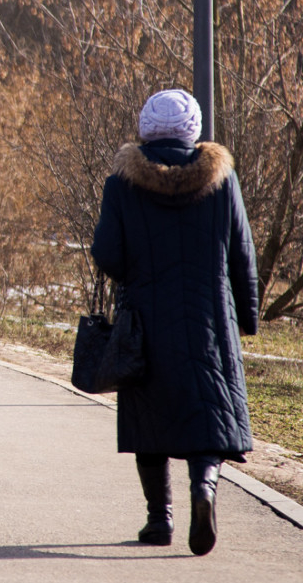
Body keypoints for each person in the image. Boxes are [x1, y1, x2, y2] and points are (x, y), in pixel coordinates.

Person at [91, 89, 258, 556]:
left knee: (150, 418)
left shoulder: (122, 184)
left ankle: (158, 520)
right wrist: (246, 318)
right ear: (194, 130)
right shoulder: (222, 180)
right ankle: (203, 489)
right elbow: (242, 255)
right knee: (208, 414)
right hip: (210, 321)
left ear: (145, 128)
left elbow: (109, 255)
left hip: (146, 322)